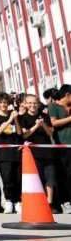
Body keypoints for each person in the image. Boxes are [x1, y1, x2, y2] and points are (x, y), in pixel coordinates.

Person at [19, 94, 57, 211]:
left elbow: (50, 133)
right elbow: (24, 134)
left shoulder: (45, 116)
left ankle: (49, 202)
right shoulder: (23, 118)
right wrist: (36, 126)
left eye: (35, 103)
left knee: (50, 176)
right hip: (32, 152)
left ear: (38, 103)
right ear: (25, 104)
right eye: (29, 103)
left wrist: (43, 124)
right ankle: (40, 202)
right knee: (37, 177)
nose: (32, 105)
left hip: (47, 150)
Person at [0, 93, 22, 213]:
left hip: (16, 152)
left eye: (5, 103)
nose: (4, 105)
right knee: (7, 178)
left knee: (17, 178)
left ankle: (17, 201)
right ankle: (8, 201)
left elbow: (19, 133)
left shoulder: (13, 116)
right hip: (3, 154)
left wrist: (15, 120)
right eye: (1, 103)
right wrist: (9, 120)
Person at [47, 85, 71, 213]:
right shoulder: (54, 106)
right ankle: (65, 201)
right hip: (62, 146)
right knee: (64, 174)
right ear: (67, 95)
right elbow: (54, 123)